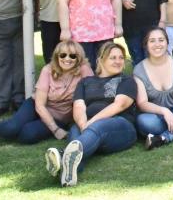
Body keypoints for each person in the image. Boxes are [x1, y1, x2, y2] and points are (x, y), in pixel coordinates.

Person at [0, 41, 93, 145]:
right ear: (57, 57)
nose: (67, 59)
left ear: (78, 58)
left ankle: (18, 127)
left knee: (27, 136)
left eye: (72, 56)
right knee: (12, 127)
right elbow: (40, 105)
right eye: (62, 55)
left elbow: (93, 93)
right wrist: (55, 130)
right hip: (36, 107)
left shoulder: (84, 71)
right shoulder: (48, 70)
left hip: (60, 117)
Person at [45, 42, 137, 187]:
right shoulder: (85, 82)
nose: (118, 61)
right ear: (100, 60)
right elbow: (79, 106)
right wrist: (83, 124)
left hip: (120, 127)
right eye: (113, 57)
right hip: (87, 127)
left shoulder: (127, 80)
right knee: (75, 133)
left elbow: (119, 104)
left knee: (97, 127)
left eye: (121, 58)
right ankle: (69, 172)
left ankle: (62, 155)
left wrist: (91, 122)